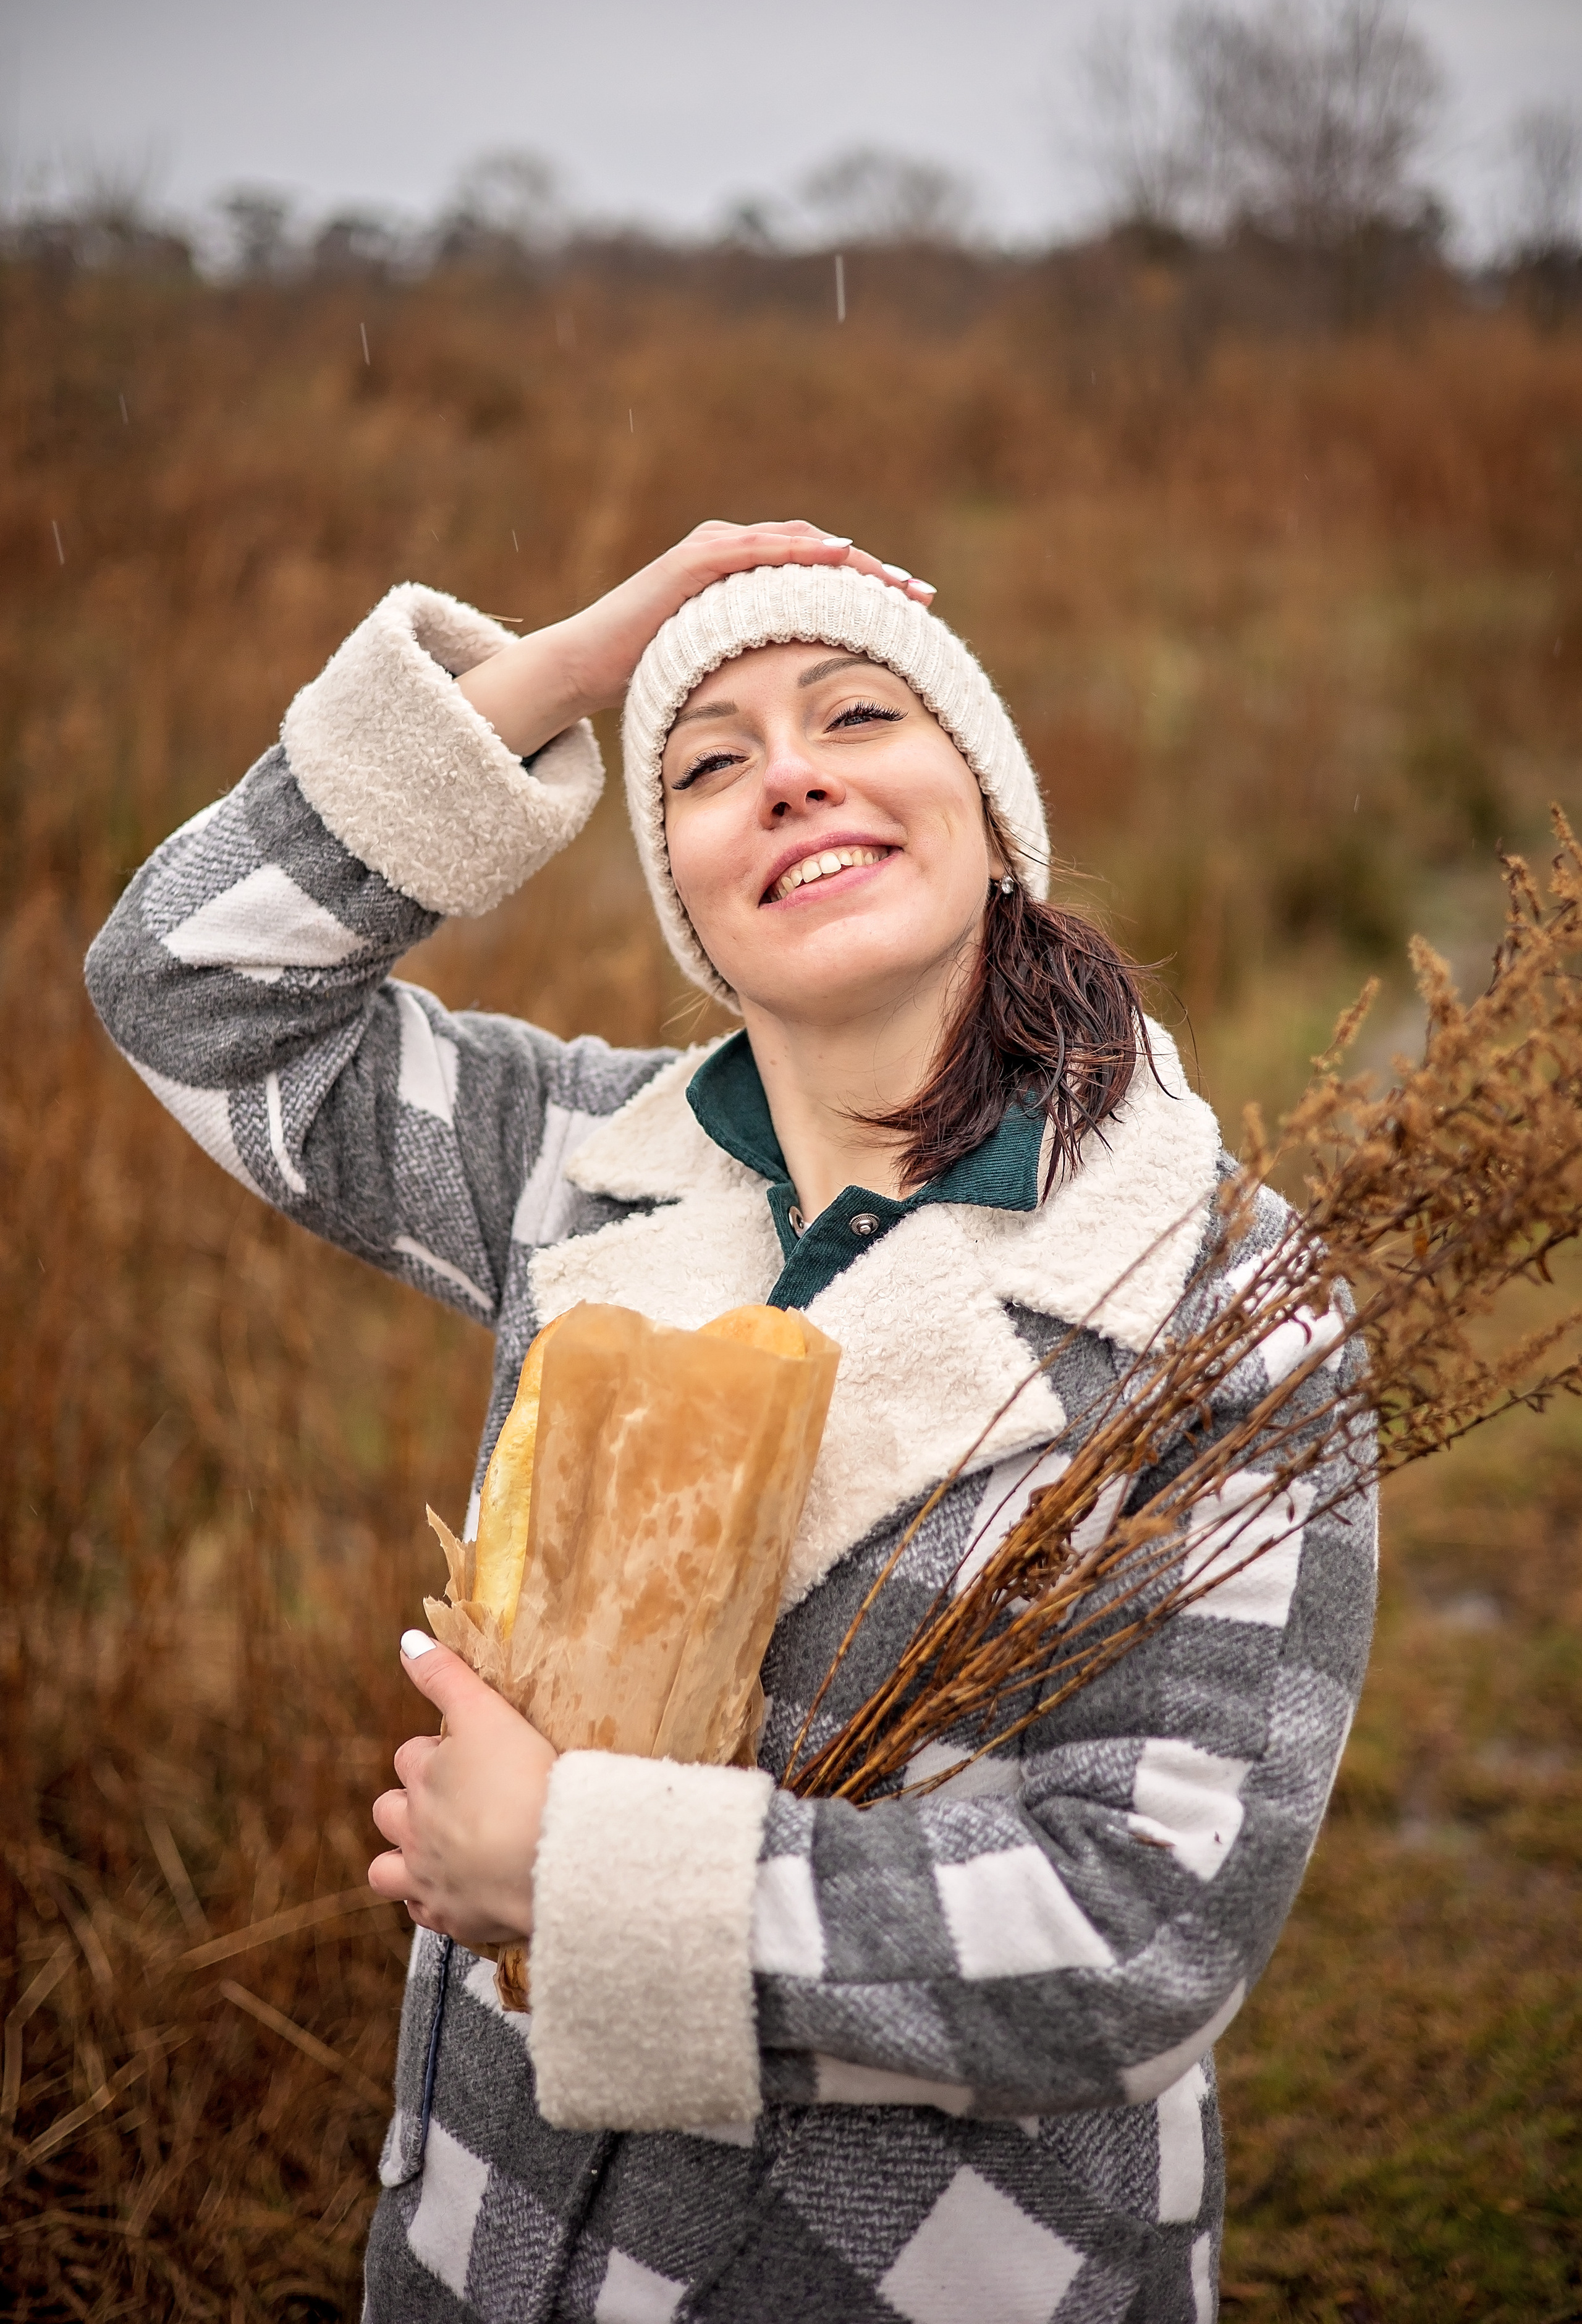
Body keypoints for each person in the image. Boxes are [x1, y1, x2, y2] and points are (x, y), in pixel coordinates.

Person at [86, 520, 1375, 2324]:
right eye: (707, 764)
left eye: (858, 715)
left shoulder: (1214, 1304)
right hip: (487, 2248)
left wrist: (574, 1872)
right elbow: (188, 993)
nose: (789, 775)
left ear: (994, 821)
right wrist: (559, 673)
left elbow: (1142, 1929)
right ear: (684, 893)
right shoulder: (585, 1174)